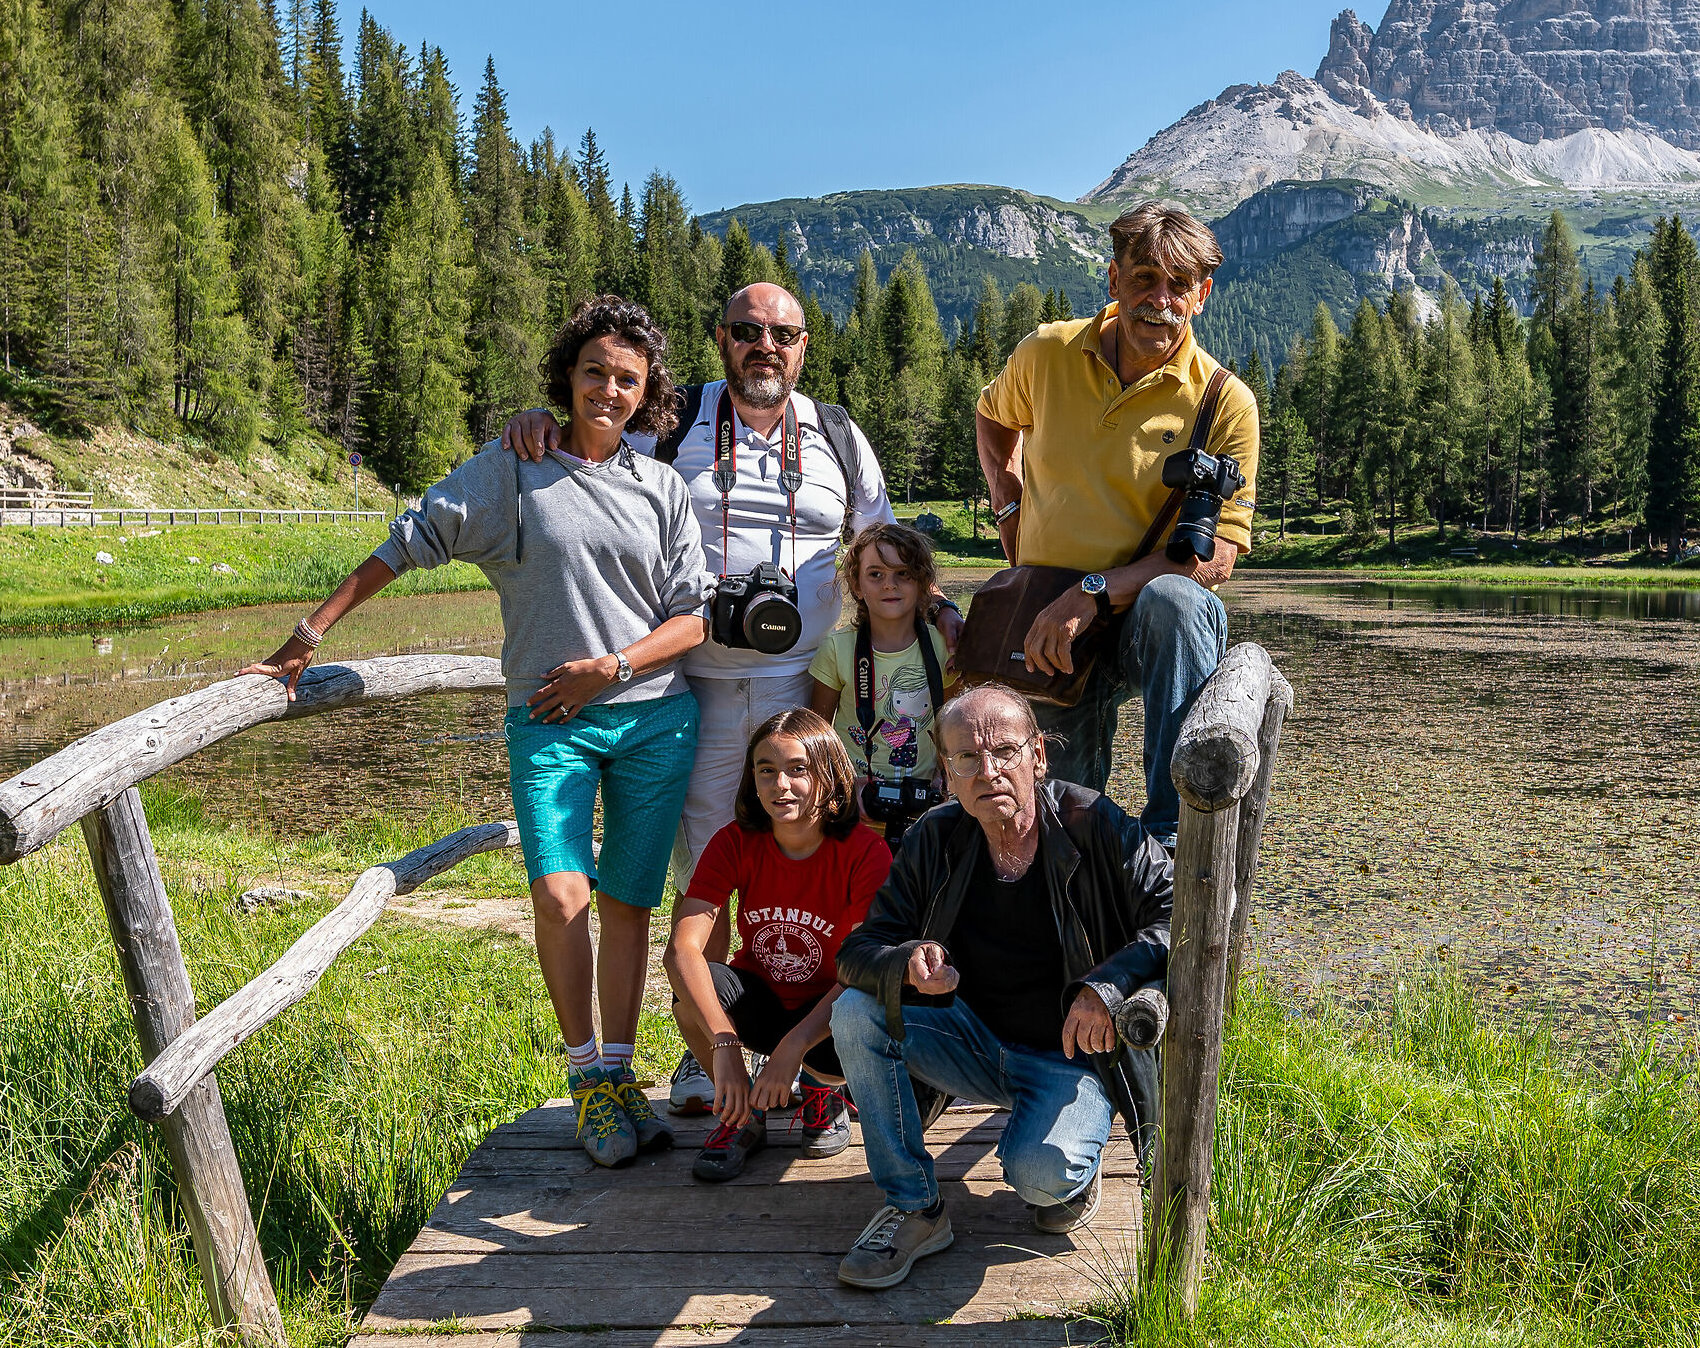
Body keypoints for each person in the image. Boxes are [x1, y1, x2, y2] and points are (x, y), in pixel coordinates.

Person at [244, 295, 708, 1169]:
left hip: (655, 720)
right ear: (567, 377)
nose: (609, 389)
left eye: (628, 379)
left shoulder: (661, 488)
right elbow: (410, 538)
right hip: (550, 725)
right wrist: (310, 634)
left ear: (646, 394)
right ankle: (586, 1083)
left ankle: (620, 1071)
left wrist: (607, 667)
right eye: (595, 372)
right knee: (562, 894)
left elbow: (692, 619)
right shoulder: (514, 470)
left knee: (627, 905)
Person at [504, 280, 961, 1115]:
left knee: (813, 852)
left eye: (783, 334)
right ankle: (700, 1042)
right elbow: (589, 444)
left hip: (806, 681)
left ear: (804, 346)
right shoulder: (671, 418)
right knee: (709, 858)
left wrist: (942, 614)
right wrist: (535, 426)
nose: (766, 346)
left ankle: (819, 1057)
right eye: (748, 331)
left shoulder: (836, 433)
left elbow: (882, 541)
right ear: (722, 338)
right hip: (695, 680)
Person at [827, 683, 1173, 1290]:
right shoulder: (933, 839)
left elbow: (1184, 914)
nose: (988, 771)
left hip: (1073, 1056)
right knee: (857, 1013)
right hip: (972, 1042)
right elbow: (857, 953)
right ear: (946, 774)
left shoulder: (1094, 822)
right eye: (966, 758)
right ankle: (914, 1208)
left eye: (1005, 752)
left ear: (1038, 756)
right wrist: (907, 962)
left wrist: (1107, 988)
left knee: (1039, 1178)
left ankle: (1071, 1163)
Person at [973, 201, 1260, 844]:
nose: (1159, 300)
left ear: (1202, 295)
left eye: (1179, 284)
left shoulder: (1224, 401)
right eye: (1144, 278)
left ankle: (1169, 838)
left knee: (1179, 603)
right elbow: (992, 417)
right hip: (1048, 613)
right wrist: (1009, 498)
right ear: (1113, 280)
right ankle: (1066, 893)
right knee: (1054, 820)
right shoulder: (1046, 353)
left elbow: (1213, 562)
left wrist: (1094, 592)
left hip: (1142, 621)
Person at [662, 709, 891, 1182]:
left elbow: (863, 970)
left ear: (829, 774)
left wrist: (793, 1049)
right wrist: (725, 1045)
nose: (779, 784)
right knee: (691, 997)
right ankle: (742, 1112)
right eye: (766, 770)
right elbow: (682, 950)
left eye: (797, 769)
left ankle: (821, 1092)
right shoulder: (734, 842)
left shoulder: (865, 851)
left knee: (857, 1015)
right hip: (761, 1002)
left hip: (832, 1012)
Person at [806, 522, 955, 847]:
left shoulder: (942, 648)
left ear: (923, 584)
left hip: (923, 814)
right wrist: (842, 786)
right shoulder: (837, 648)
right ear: (856, 585)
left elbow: (954, 725)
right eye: (876, 575)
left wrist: (948, 780)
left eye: (904, 574)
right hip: (853, 811)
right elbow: (816, 736)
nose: (890, 585)